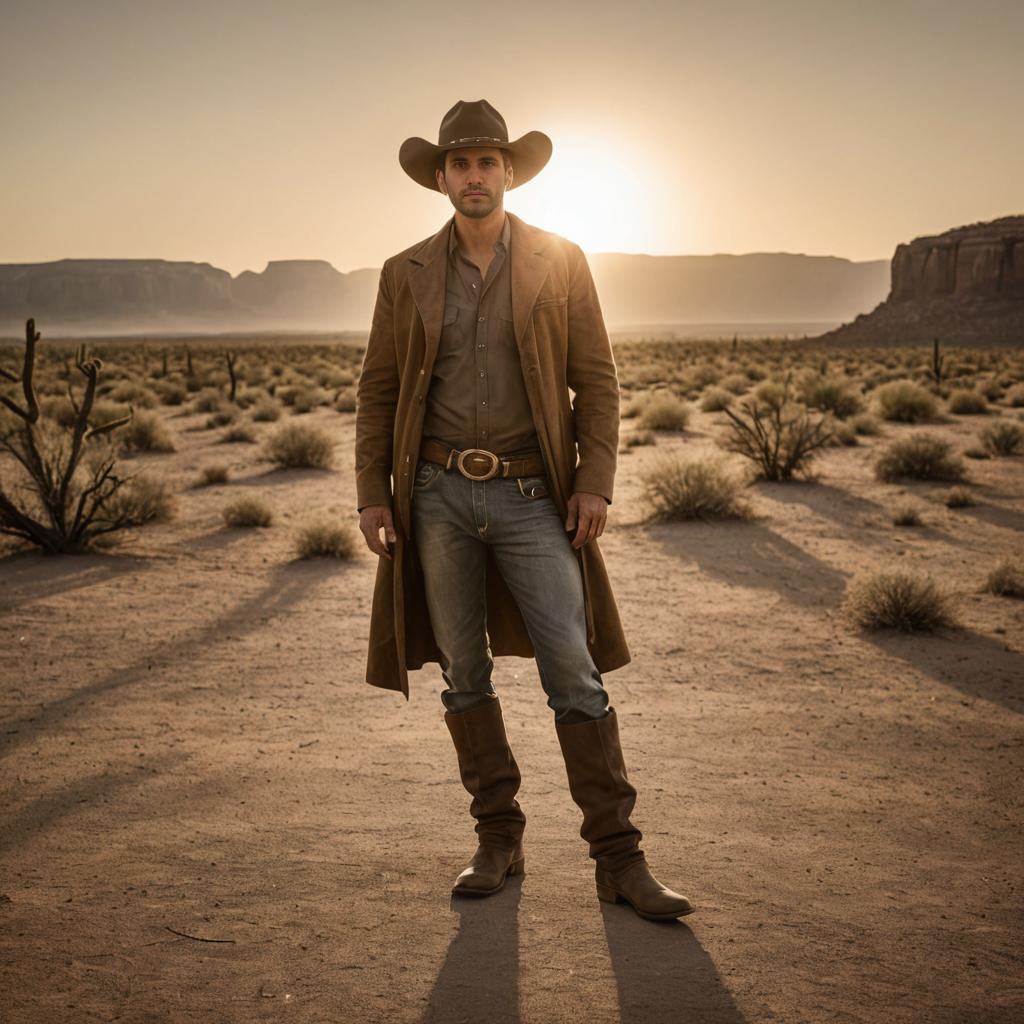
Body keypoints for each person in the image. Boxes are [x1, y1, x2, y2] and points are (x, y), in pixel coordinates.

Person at [354, 99, 694, 922]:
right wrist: (372, 494)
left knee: (572, 672)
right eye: (460, 164)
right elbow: (379, 390)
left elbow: (599, 380)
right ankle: (497, 839)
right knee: (462, 672)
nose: (475, 177)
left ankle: (620, 859)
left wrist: (595, 481)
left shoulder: (560, 260)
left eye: (488, 163)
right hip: (435, 497)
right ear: (441, 179)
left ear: (509, 174)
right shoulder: (404, 273)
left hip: (533, 495)